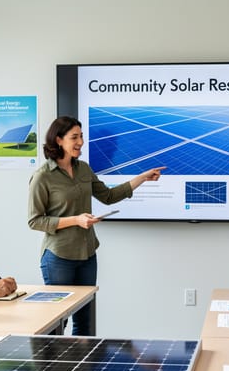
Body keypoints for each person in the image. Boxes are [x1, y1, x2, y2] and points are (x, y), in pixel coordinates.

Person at [27, 116, 164, 336]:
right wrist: (76, 220)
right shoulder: (42, 177)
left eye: (81, 136)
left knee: (85, 324)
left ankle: (83, 370)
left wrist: (142, 178)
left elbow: (108, 196)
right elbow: (35, 220)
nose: (80, 142)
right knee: (56, 325)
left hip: (87, 254)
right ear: (59, 140)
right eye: (75, 137)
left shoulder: (83, 169)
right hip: (59, 258)